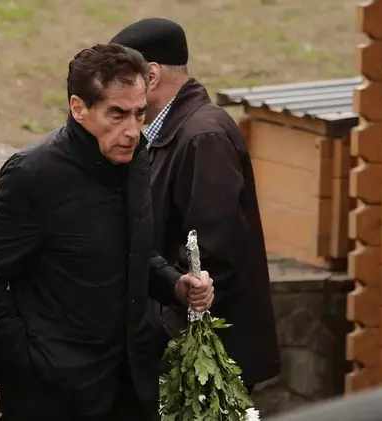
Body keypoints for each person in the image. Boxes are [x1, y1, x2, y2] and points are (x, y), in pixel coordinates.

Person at [0, 43, 214, 421]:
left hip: (126, 388)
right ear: (79, 108)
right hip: (52, 400)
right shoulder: (35, 174)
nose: (132, 130)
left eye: (140, 113)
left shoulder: (136, 158)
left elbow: (131, 250)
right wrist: (32, 360)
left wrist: (176, 285)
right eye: (117, 114)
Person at [110, 18, 281, 392]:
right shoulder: (172, 133)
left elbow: (212, 256)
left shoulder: (203, 137)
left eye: (121, 79)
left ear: (151, 76)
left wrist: (156, 333)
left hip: (202, 362)